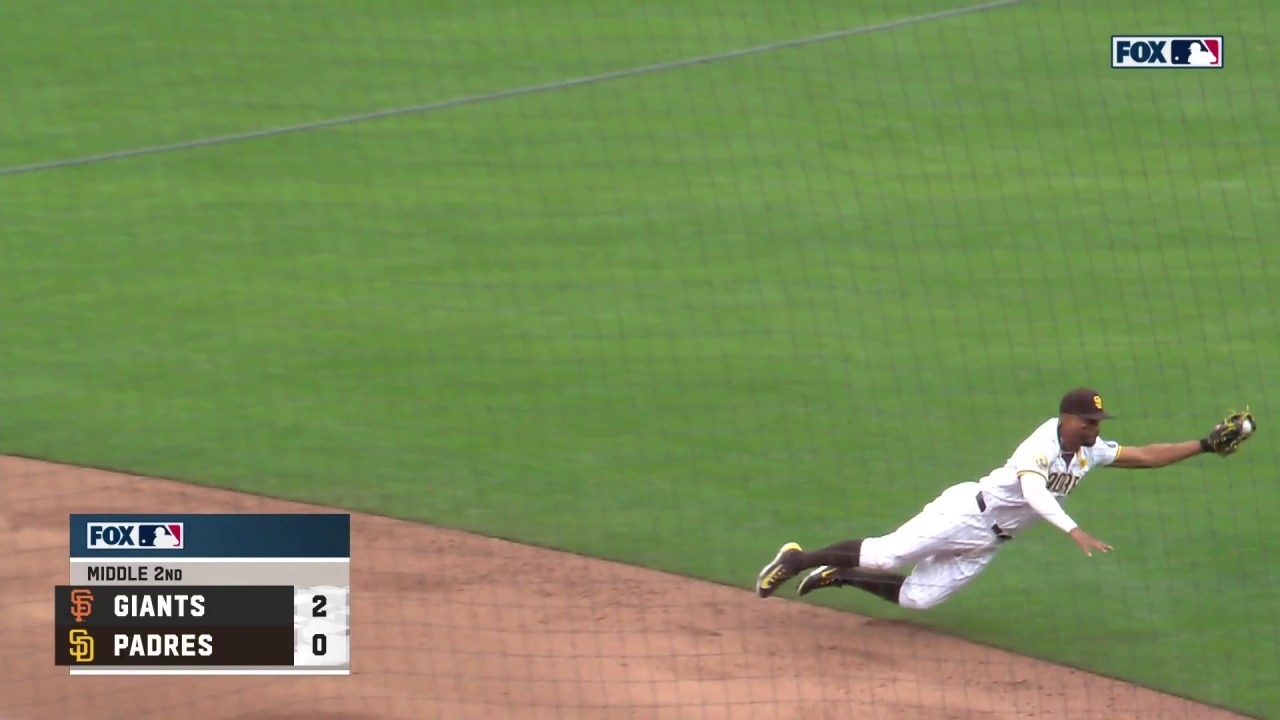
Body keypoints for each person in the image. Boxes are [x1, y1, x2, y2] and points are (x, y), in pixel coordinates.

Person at [754, 388, 1255, 610]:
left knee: (917, 600)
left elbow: (1144, 455)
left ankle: (839, 576)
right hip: (963, 514)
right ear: (1065, 419)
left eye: (1098, 423)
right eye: (1088, 422)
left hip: (989, 542)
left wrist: (1204, 446)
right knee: (887, 553)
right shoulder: (1039, 445)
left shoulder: (1090, 451)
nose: (1095, 429)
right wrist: (1072, 529)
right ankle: (797, 558)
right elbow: (1034, 492)